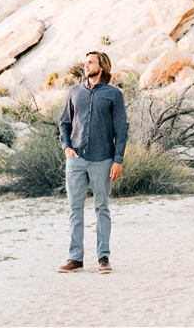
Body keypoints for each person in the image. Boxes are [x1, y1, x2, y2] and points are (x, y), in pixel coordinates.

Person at [57, 51, 127, 274]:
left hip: (103, 159)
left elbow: (121, 130)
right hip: (76, 159)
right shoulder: (74, 92)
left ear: (102, 67)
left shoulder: (113, 94)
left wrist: (118, 160)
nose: (86, 66)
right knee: (75, 209)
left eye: (90, 62)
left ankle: (103, 257)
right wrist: (66, 147)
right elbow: (64, 123)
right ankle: (75, 258)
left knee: (102, 208)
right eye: (85, 62)